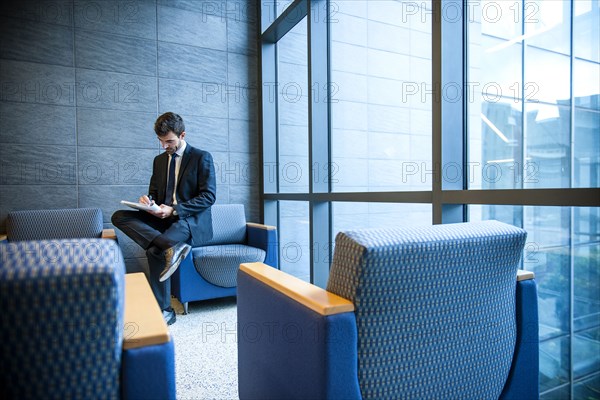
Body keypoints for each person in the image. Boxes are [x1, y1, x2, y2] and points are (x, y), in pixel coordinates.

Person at [112, 112, 216, 325]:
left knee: (154, 250)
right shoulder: (159, 161)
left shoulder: (201, 157)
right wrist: (148, 202)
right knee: (119, 216)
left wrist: (174, 210)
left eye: (169, 141)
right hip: (162, 218)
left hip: (188, 221)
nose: (164, 146)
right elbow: (155, 193)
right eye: (161, 141)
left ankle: (165, 311)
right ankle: (171, 247)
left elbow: (209, 196)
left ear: (182, 134)